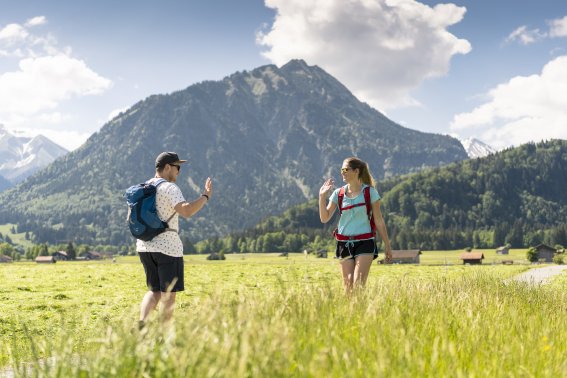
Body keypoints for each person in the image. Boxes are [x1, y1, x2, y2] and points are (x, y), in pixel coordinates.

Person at [137, 151, 213, 328]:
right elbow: (186, 211)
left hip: (144, 247)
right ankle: (164, 335)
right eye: (177, 167)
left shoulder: (143, 188)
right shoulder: (169, 188)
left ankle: (141, 326)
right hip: (167, 248)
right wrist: (205, 196)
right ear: (167, 167)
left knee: (154, 290)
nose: (179, 171)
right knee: (168, 294)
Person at [319, 157, 392, 292]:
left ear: (356, 171)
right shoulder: (338, 193)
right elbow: (324, 218)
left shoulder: (370, 192)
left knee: (358, 285)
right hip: (344, 244)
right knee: (348, 288)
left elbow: (379, 220)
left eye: (345, 169)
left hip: (365, 242)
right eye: (341, 170)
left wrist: (387, 245)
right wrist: (322, 196)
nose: (342, 172)